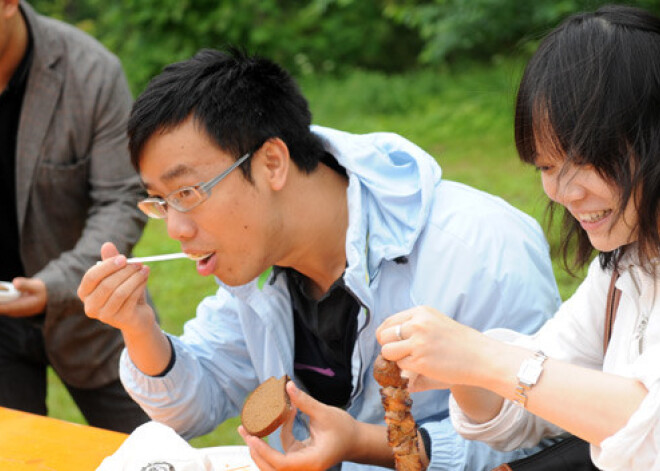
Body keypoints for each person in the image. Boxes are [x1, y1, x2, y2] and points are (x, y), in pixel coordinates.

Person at [78, 47, 561, 470]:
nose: (177, 227)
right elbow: (195, 403)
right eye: (160, 201)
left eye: (187, 192)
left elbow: (541, 436)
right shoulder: (261, 265)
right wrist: (138, 326)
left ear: (272, 162)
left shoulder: (479, 249)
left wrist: (369, 445)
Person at [376, 5, 660, 470]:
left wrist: (481, 357)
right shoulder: (624, 266)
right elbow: (519, 416)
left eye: (585, 160)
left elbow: (647, 427)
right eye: (547, 166)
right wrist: (461, 368)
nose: (564, 192)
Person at [0, 0, 150, 432]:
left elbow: (121, 199)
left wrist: (57, 285)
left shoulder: (92, 72)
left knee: (151, 455)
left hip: (93, 315)